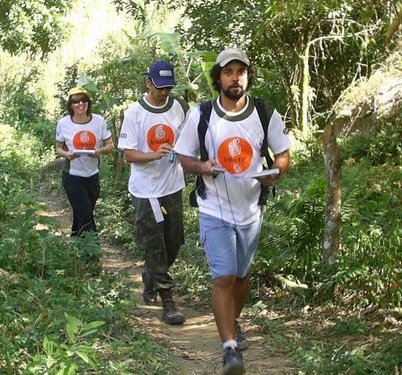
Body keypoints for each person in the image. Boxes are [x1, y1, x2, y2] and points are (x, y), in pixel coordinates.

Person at [174, 47, 292, 374]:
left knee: (242, 278)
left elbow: (282, 155)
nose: (235, 77)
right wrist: (202, 165)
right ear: (219, 78)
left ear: (248, 76)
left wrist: (275, 173)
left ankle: (232, 321)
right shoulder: (201, 115)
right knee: (224, 276)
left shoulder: (265, 113)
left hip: (251, 209)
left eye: (240, 71)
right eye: (229, 72)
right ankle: (229, 349)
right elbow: (184, 157)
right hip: (215, 208)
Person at [118, 60, 190, 325]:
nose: (164, 92)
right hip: (146, 190)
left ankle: (151, 274)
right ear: (148, 82)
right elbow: (128, 154)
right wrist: (153, 154)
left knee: (173, 243)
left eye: (168, 87)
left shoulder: (181, 108)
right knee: (154, 243)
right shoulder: (135, 113)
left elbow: (190, 139)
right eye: (159, 87)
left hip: (173, 186)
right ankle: (168, 299)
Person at [55, 86, 114, 237]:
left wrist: (99, 151)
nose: (80, 104)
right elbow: (58, 148)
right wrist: (67, 154)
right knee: (86, 215)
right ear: (70, 104)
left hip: (92, 175)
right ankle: (92, 254)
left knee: (81, 213)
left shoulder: (99, 121)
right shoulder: (63, 123)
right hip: (72, 176)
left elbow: (110, 145)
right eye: (76, 101)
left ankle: (76, 244)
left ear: (88, 103)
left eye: (84, 100)